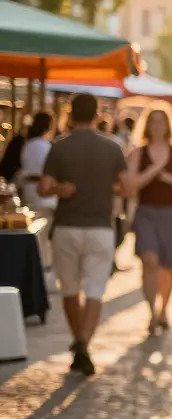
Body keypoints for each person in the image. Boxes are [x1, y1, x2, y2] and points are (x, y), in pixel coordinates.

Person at [38, 94, 133, 375]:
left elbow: (43, 188)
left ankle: (78, 340)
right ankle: (84, 345)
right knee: (94, 290)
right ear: (96, 114)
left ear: (70, 112)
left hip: (67, 225)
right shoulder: (112, 147)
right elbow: (127, 188)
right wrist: (108, 188)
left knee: (70, 289)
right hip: (100, 227)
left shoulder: (59, 147)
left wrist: (60, 190)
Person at [127, 102, 172, 335]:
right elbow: (130, 186)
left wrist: (168, 178)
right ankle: (151, 313)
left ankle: (164, 310)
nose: (157, 126)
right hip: (146, 212)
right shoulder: (137, 152)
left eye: (161, 121)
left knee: (167, 266)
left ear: (168, 124)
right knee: (149, 261)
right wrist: (154, 171)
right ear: (147, 125)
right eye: (153, 121)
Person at [18, 112, 57, 267]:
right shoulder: (46, 146)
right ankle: (41, 266)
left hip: (29, 192)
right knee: (42, 235)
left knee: (36, 232)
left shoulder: (28, 145)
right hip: (44, 195)